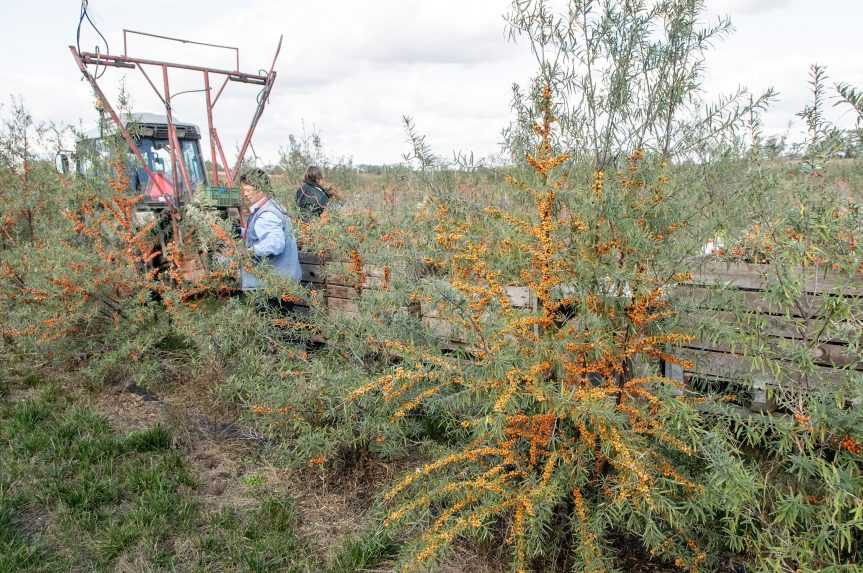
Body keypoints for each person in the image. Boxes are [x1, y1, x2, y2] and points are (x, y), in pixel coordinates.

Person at [239, 168, 303, 290]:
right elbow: (263, 234)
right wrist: (241, 232)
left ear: (260, 189)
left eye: (248, 190)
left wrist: (247, 252)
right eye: (244, 190)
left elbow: (275, 244)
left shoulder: (267, 214)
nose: (245, 194)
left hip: (271, 285)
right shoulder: (272, 206)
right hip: (280, 282)